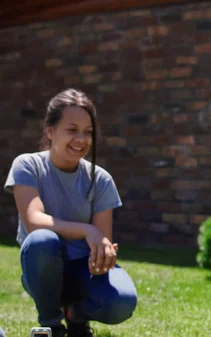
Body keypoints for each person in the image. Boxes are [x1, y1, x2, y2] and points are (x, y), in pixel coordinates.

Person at [4, 89, 137, 337]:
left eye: (88, 132)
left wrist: (102, 258)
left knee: (122, 302)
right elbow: (34, 222)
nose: (81, 139)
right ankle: (51, 324)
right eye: (72, 130)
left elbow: (101, 241)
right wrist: (87, 230)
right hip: (42, 270)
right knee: (42, 240)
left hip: (83, 272)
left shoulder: (101, 179)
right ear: (50, 131)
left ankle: (77, 316)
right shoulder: (27, 165)